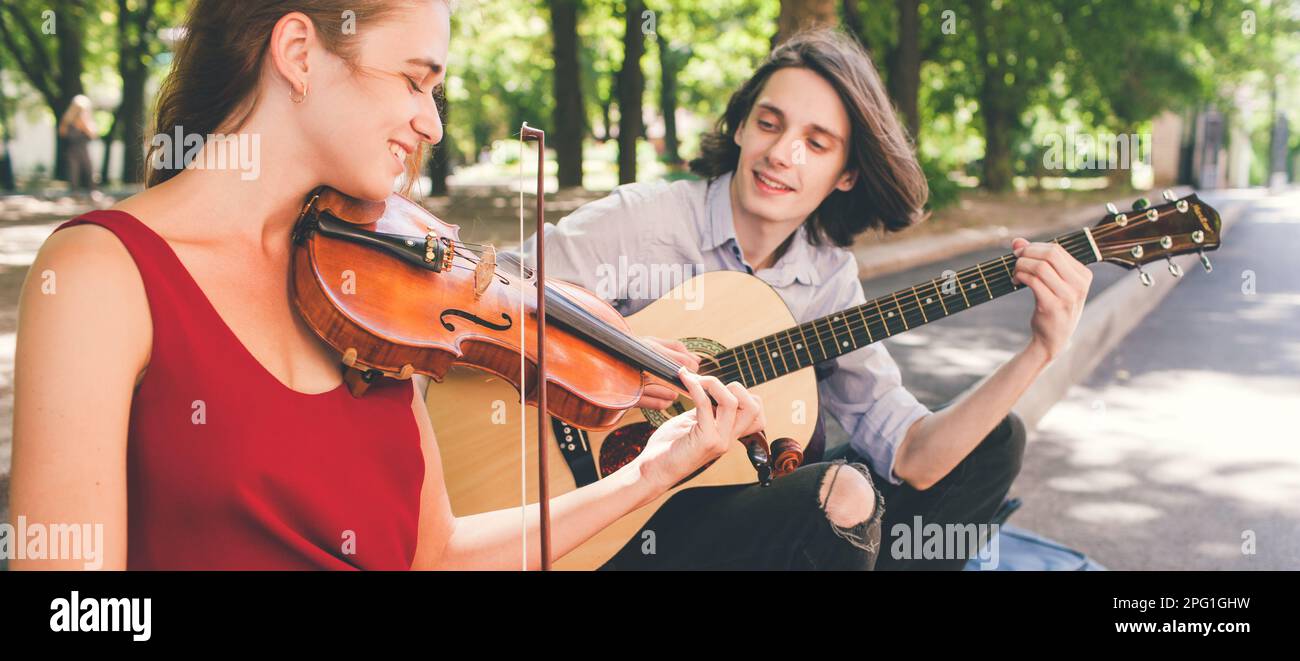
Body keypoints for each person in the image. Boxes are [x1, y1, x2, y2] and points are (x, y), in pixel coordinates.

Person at [7, 0, 876, 571]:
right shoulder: (103, 273)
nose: (431, 120)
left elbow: (440, 555)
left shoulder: (379, 293)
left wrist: (653, 472)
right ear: (300, 51)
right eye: (416, 80)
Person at [523, 28, 1092, 570]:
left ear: (845, 174)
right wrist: (619, 358)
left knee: (994, 442)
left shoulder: (828, 280)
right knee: (839, 493)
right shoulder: (645, 221)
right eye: (769, 124)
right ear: (742, 127)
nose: (782, 154)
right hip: (610, 512)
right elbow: (499, 290)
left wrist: (1039, 351)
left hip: (722, 515)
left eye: (816, 144)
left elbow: (914, 459)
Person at [58, 94, 98, 198]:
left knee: (88, 170)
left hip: (83, 149)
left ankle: (92, 190)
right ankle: (74, 192)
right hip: (72, 149)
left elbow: (93, 135)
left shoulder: (87, 121)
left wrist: (84, 125)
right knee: (73, 171)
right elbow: (62, 133)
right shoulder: (67, 120)